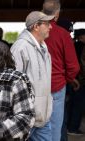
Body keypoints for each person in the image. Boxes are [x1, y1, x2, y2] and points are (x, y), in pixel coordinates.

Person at [10, 11, 54, 141]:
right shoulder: (20, 47)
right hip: (25, 119)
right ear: (36, 26)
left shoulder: (43, 47)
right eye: (47, 24)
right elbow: (12, 84)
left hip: (43, 117)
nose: (51, 27)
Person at [42, 1, 80, 141]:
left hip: (35, 87)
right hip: (57, 86)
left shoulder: (31, 32)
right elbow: (74, 66)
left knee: (36, 127)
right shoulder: (63, 34)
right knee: (55, 129)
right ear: (57, 14)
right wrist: (68, 79)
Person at [67, 29, 85, 136]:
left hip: (72, 79)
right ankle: (73, 128)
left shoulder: (73, 46)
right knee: (78, 105)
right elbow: (82, 66)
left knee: (72, 104)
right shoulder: (81, 47)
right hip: (79, 81)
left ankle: (70, 126)